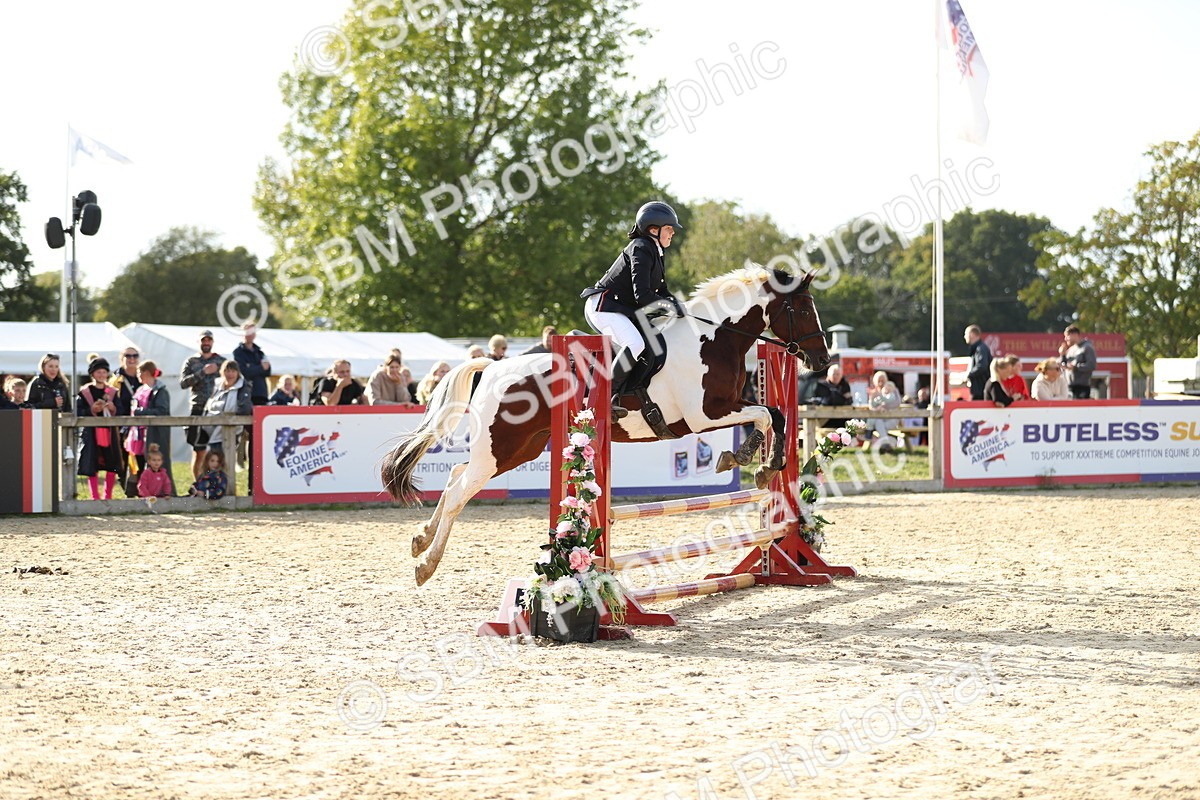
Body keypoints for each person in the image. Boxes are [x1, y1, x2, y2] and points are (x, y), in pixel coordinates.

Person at [580, 200, 685, 419]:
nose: (672, 232)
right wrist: (670, 307)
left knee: (652, 341)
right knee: (635, 343)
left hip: (621, 309)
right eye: (668, 228)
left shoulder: (655, 251)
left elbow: (662, 290)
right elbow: (643, 295)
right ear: (653, 230)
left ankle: (628, 393)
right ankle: (604, 398)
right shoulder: (641, 247)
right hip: (603, 307)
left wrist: (680, 306)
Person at [76, 357, 125, 500]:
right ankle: (94, 496)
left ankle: (107, 495)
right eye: (98, 372)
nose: (102, 374)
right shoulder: (85, 392)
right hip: (91, 433)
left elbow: (120, 411)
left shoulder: (112, 392)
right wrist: (92, 409)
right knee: (93, 463)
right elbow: (79, 411)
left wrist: (112, 408)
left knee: (111, 463)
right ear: (92, 373)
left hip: (109, 433)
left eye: (104, 372)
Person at [181, 329, 223, 478]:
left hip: (216, 409)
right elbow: (183, 383)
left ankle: (217, 484)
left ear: (212, 342)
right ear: (198, 342)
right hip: (198, 408)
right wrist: (202, 372)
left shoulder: (221, 361)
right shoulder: (191, 362)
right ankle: (198, 484)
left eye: (209, 340)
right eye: (203, 340)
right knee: (199, 450)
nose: (206, 343)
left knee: (217, 451)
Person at [131, 360, 172, 485]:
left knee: (157, 460)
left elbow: (161, 410)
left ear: (146, 372)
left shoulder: (160, 391)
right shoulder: (140, 390)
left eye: (139, 372)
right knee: (142, 461)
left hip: (156, 432)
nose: (137, 375)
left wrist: (141, 412)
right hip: (140, 432)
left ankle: (164, 490)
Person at [203, 360, 252, 453]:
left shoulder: (243, 388)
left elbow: (245, 409)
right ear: (222, 372)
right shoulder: (216, 386)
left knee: (225, 457)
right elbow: (208, 405)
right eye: (227, 371)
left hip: (231, 429)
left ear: (238, 373)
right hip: (210, 428)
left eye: (233, 371)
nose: (230, 374)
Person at [865, 370, 901, 450]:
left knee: (878, 424)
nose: (881, 382)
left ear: (886, 380)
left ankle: (886, 443)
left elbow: (897, 403)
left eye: (883, 380)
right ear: (875, 382)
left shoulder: (893, 389)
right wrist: (876, 408)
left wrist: (883, 407)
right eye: (879, 381)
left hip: (892, 418)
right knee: (878, 422)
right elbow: (871, 406)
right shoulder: (874, 393)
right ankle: (887, 444)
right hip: (879, 419)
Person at [1059, 325, 1096, 399]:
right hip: (1069, 387)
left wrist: (1076, 367)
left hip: (1082, 387)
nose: (1065, 339)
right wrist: (1062, 355)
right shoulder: (1070, 350)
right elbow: (1064, 366)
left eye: (1067, 336)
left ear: (1075, 335)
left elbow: (1091, 365)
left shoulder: (1087, 347)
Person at [964, 325, 992, 401]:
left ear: (972, 334)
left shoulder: (980, 349)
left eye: (966, 334)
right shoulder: (979, 348)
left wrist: (969, 375)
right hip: (980, 389)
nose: (964, 337)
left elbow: (982, 366)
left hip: (980, 390)